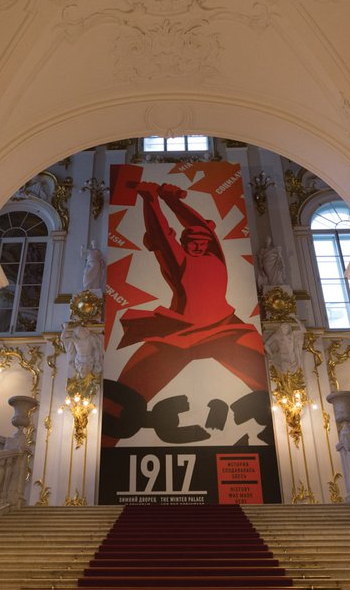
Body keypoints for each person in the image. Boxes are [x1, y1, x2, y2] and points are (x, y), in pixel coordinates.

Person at [103, 182, 268, 444]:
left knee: (267, 384)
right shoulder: (179, 262)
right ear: (183, 242)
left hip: (227, 327)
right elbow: (162, 235)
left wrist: (173, 200)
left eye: (201, 242)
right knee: (120, 405)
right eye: (191, 243)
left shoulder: (214, 255)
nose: (198, 246)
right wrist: (151, 200)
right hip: (181, 333)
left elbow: (201, 225)